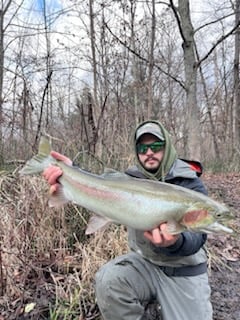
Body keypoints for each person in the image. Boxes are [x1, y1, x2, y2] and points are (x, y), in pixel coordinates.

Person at [43, 120, 213, 320]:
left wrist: (176, 242)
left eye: (156, 146)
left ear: (167, 147)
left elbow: (199, 237)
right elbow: (99, 184)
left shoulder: (190, 184)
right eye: (142, 148)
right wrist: (70, 172)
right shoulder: (128, 180)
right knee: (109, 281)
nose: (149, 152)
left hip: (183, 272)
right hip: (145, 265)